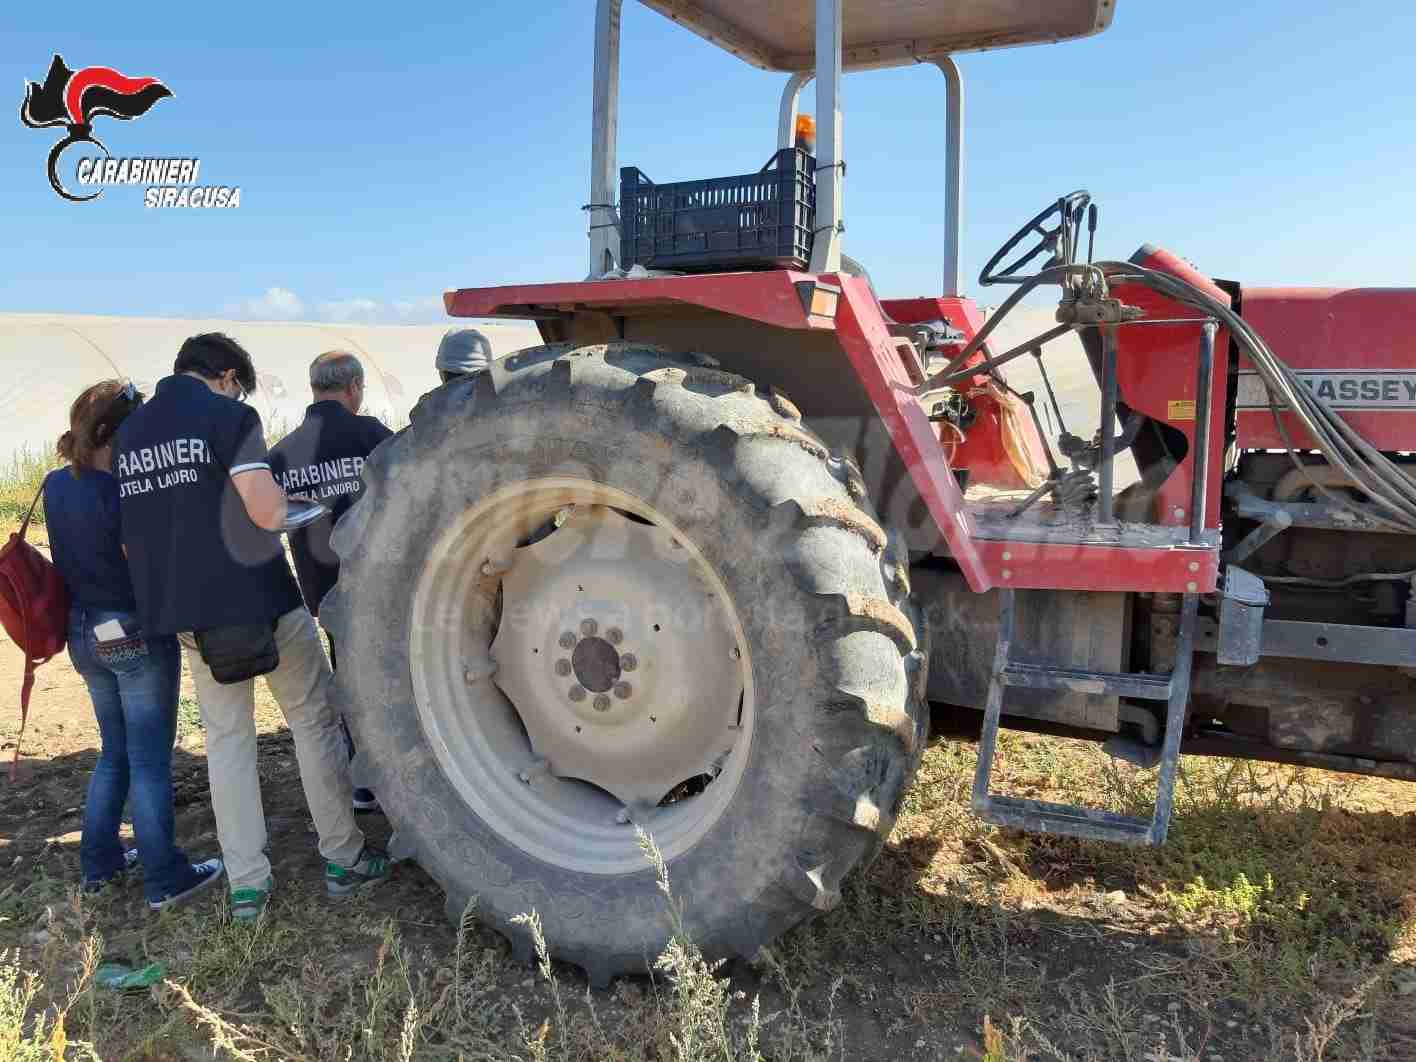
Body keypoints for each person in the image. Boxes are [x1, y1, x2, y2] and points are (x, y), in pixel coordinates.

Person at [113, 333, 390, 922]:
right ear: (227, 376)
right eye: (238, 384)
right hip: (260, 601)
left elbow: (131, 536)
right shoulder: (229, 415)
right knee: (313, 721)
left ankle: (247, 884)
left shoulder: (131, 433)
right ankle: (343, 857)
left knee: (226, 741)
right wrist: (311, 512)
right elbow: (266, 512)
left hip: (188, 617)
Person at [44, 380, 223, 910]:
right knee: (149, 759)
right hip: (132, 633)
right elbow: (142, 562)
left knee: (115, 754)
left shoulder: (56, 485)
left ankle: (98, 865)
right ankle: (165, 876)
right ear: (118, 432)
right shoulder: (125, 490)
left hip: (84, 633)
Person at [268, 351, 393, 812]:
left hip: (322, 588)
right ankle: (383, 776)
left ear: (313, 387)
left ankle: (361, 777)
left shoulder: (282, 453)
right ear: (354, 387)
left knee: (347, 675)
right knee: (388, 678)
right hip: (378, 581)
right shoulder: (374, 436)